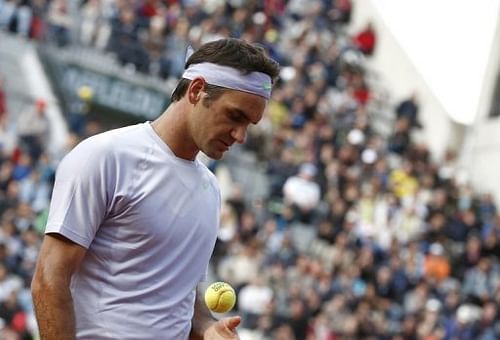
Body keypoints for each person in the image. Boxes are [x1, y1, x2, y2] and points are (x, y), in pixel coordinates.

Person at [31, 38, 280, 340]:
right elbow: (49, 280)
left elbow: (183, 294)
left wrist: (206, 328)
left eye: (249, 124)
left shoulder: (211, 189)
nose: (240, 136)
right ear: (197, 90)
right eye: (235, 116)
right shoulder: (105, 156)